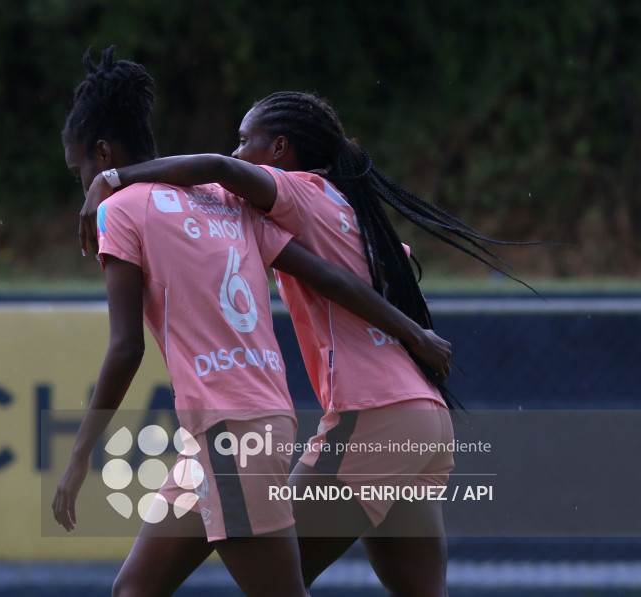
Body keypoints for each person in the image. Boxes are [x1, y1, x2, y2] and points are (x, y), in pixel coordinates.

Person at [77, 92, 531, 597]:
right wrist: (416, 334)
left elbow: (215, 168)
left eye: (247, 141)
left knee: (279, 587)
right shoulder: (349, 206)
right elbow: (347, 283)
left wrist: (114, 179)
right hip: (422, 418)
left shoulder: (296, 192)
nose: (238, 150)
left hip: (372, 417)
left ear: (280, 150)